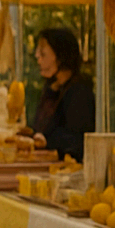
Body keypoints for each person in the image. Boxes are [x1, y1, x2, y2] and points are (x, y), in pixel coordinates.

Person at [28, 27, 94, 162]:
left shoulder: (79, 92)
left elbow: (77, 138)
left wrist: (47, 140)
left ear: (60, 56)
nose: (38, 58)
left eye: (43, 54)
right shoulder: (53, 88)